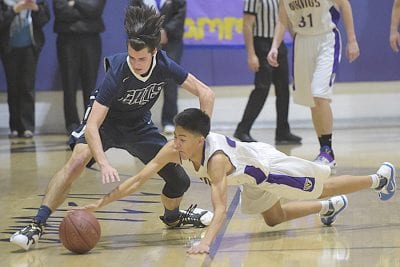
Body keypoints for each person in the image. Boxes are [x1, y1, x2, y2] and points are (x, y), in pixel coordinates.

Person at [10, 5, 215, 251]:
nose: (136, 63)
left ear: (154, 52)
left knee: (179, 180)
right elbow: (93, 125)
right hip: (106, 123)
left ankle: (173, 217)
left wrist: (199, 141)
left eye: (142, 58)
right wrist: (104, 162)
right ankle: (37, 224)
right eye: (132, 57)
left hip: (139, 125)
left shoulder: (164, 64)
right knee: (77, 160)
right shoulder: (118, 71)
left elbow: (206, 93)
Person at [73, 108, 395, 255]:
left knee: (326, 181)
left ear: (200, 140)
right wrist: (100, 203)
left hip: (268, 169)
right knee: (274, 218)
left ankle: (378, 179)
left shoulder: (216, 163)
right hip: (250, 174)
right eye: (176, 136)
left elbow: (221, 207)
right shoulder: (176, 149)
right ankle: (330, 207)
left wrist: (205, 244)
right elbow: (138, 180)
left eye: (183, 138)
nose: (176, 142)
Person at [267, 0, 360, 169]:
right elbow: (282, 19)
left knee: (319, 95)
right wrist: (275, 46)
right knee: (313, 102)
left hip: (326, 39)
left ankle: (327, 150)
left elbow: (345, 4)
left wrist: (352, 39)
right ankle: (325, 150)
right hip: (302, 41)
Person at [234, 0, 301, 145]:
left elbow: (285, 20)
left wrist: (298, 39)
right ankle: (242, 129)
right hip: (261, 44)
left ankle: (283, 131)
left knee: (283, 89)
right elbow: (247, 24)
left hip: (278, 43)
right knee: (262, 88)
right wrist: (251, 54)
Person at [128, 0, 186, 135]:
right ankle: (139, 120)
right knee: (142, 80)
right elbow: (134, 16)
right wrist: (152, 33)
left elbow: (180, 15)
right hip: (145, 40)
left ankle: (169, 120)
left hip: (171, 42)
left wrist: (166, 32)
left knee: (171, 79)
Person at [53, 0, 106, 134]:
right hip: (67, 40)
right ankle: (71, 123)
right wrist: (84, 9)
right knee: (69, 85)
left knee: (90, 84)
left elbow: (95, 10)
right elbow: (60, 12)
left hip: (91, 39)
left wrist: (74, 2)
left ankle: (89, 121)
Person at [0, 0, 50, 138]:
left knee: (27, 86)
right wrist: (14, 9)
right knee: (13, 87)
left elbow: (45, 19)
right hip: (9, 49)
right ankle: (15, 127)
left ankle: (28, 126)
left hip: (30, 48)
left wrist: (35, 8)